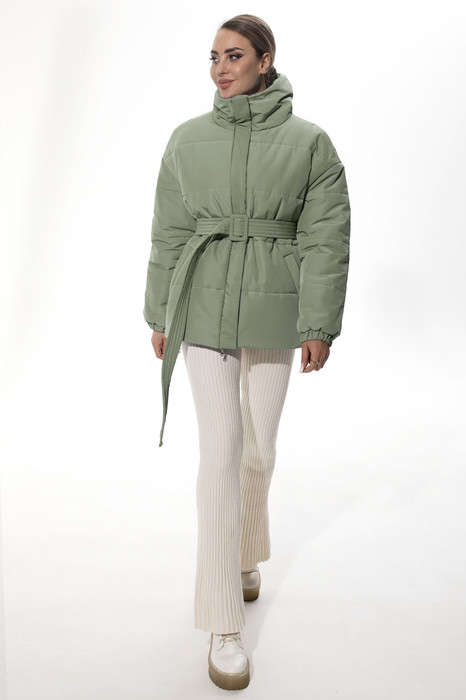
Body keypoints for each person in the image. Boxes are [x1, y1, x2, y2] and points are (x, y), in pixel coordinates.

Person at [143, 13, 351, 691]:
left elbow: (326, 237)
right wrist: (161, 313)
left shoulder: (311, 143)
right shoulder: (186, 139)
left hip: (274, 309)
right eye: (213, 57)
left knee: (258, 448)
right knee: (220, 455)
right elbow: (169, 232)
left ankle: (244, 553)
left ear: (266, 61)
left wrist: (319, 323)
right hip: (201, 308)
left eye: (234, 55)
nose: (220, 68)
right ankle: (221, 622)